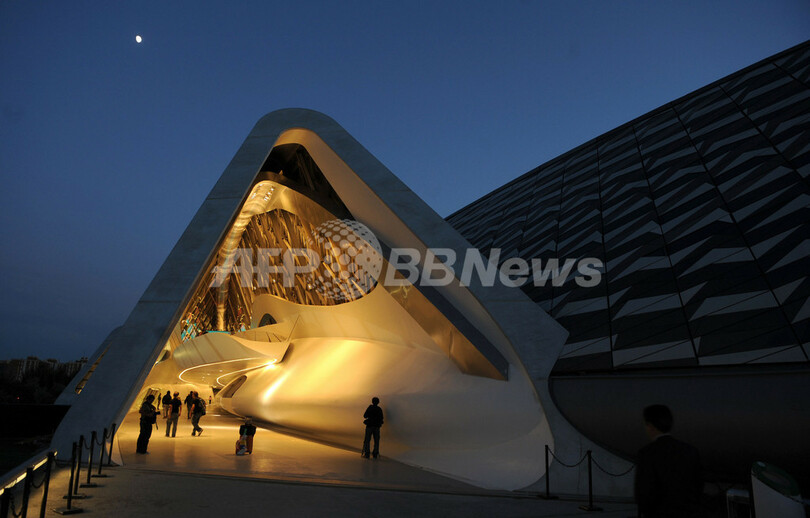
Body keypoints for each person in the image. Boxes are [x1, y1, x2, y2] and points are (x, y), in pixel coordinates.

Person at [635, 404, 702, 518]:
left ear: (650, 426)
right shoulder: (690, 451)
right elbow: (698, 485)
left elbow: (644, 495)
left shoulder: (647, 454)